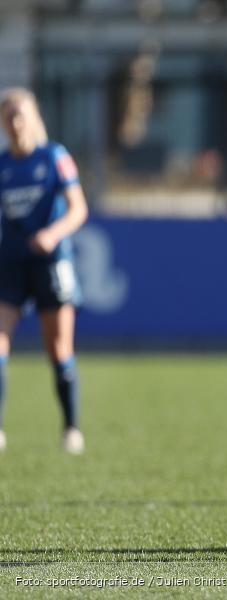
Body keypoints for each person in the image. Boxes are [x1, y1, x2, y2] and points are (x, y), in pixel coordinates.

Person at [0, 88, 88, 454]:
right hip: (10, 262)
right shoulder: (3, 164)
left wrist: (52, 234)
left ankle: (71, 428)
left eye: (19, 114)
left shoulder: (54, 157)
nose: (14, 122)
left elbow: (78, 208)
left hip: (51, 262)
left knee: (57, 347)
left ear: (33, 117)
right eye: (8, 116)